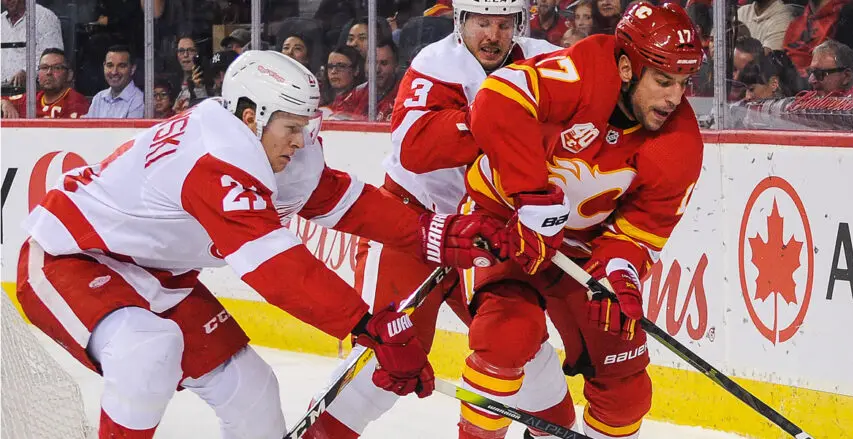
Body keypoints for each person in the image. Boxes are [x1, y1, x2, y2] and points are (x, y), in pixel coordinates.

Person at [14, 50, 503, 439]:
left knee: (253, 394)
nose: (300, 141)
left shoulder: (273, 142)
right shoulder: (216, 160)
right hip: (69, 257)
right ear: (250, 116)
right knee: (149, 350)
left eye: (305, 127)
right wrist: (366, 326)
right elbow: (277, 269)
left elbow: (339, 199)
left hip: (158, 274)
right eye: (291, 128)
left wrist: (428, 233)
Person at [301, 0, 566, 437]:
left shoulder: (544, 61)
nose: (493, 36)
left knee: (524, 347)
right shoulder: (437, 64)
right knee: (385, 360)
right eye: (482, 23)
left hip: (487, 231)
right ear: (461, 21)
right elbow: (415, 149)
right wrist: (496, 119)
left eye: (503, 24)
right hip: (414, 223)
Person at [456, 2, 704, 438]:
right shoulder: (580, 73)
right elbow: (495, 101)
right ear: (627, 67)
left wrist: (620, 271)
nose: (674, 98)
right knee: (505, 339)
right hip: (507, 226)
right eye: (663, 81)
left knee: (627, 390)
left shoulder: (678, 143)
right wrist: (532, 195)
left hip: (580, 255)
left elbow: (642, 231)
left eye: (684, 83)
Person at [1, 48, 90, 119]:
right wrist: (4, 103)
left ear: (69, 75)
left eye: (57, 68)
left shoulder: (76, 102)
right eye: (44, 67)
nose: (49, 72)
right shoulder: (30, 99)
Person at [330, 38, 399, 120]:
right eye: (372, 63)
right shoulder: (358, 92)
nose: (377, 69)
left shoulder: (404, 95)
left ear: (396, 66)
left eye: (383, 63)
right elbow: (337, 116)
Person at [1, 0, 63, 86]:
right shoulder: (1, 21)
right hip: (3, 91)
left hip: (33, 90)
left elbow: (55, 57)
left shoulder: (44, 17)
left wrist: (27, 72)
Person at [84, 45, 145, 119]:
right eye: (110, 65)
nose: (114, 72)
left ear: (132, 69)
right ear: (104, 66)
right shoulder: (98, 98)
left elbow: (129, 131)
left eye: (121, 66)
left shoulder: (139, 100)